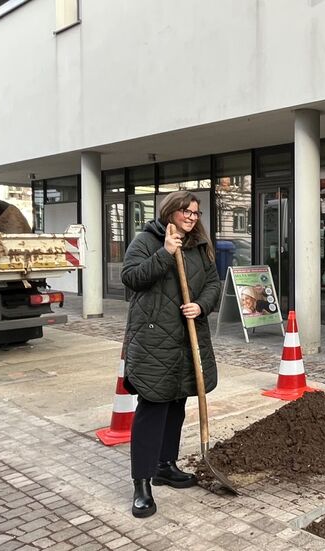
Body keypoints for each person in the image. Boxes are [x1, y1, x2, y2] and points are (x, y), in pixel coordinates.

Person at [121, 191, 221, 518]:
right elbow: (132, 278)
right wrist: (164, 253)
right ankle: (142, 483)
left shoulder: (199, 245)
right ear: (170, 211)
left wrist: (201, 305)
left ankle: (165, 465)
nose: (192, 217)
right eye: (186, 211)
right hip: (154, 341)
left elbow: (213, 283)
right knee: (153, 406)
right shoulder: (146, 240)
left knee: (177, 402)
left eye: (196, 212)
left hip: (186, 340)